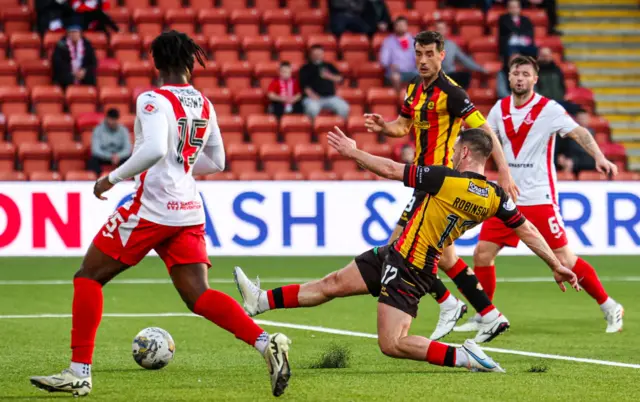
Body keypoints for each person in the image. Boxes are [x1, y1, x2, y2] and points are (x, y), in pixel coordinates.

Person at [30, 31, 292, 398]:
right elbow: (216, 162)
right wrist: (180, 165)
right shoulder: (204, 102)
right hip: (188, 208)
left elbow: (153, 149)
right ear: (189, 62)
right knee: (198, 294)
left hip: (153, 207)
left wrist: (111, 178)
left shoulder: (152, 99)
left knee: (88, 276)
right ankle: (267, 343)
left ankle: (79, 372)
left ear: (156, 64)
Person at [233, 128, 580, 374]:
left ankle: (464, 357)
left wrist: (353, 152)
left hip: (411, 267)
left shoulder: (446, 179)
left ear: (465, 152)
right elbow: (528, 230)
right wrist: (555, 263)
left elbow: (389, 168)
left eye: (457, 148)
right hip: (395, 253)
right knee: (333, 283)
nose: (455, 153)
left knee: (393, 343)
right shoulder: (495, 197)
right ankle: (260, 301)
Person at [363, 30, 519, 343]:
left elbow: (485, 132)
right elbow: (403, 126)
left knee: (399, 248)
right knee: (444, 257)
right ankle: (488, 314)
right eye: (419, 54)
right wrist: (384, 127)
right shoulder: (413, 88)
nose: (423, 60)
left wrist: (504, 171)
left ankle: (449, 303)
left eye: (430, 54)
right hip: (424, 181)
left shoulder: (453, 93)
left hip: (442, 183)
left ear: (442, 55)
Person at [453, 55, 624, 334]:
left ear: (535, 79)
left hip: (540, 199)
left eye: (525, 74)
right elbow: (485, 140)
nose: (519, 78)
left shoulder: (549, 109)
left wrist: (599, 157)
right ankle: (486, 314)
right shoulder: (499, 108)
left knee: (566, 261)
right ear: (508, 78)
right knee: (482, 253)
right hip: (506, 199)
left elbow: (579, 132)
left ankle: (609, 306)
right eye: (515, 73)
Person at [299, 44, 350, 119]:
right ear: (310, 55)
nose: (317, 56)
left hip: (330, 97)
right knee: (312, 109)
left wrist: (329, 76)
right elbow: (304, 86)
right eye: (315, 54)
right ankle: (313, 128)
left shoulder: (329, 66)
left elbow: (340, 79)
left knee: (344, 107)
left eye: (319, 54)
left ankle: (338, 127)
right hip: (313, 98)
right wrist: (313, 96)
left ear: (323, 54)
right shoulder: (305, 68)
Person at [434, 21, 487, 90]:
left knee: (465, 76)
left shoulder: (452, 45)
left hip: (450, 75)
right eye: (439, 29)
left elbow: (465, 60)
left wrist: (481, 69)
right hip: (436, 76)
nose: (441, 31)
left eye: (443, 29)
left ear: (446, 30)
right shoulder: (429, 46)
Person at [51, 20, 97, 89]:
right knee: (64, 77)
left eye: (76, 32)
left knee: (90, 77)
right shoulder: (61, 45)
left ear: (80, 33)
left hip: (82, 73)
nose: (73, 34)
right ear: (68, 33)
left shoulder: (87, 45)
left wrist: (84, 70)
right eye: (71, 32)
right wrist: (71, 71)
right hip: (67, 72)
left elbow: (92, 62)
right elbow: (57, 61)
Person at [87, 108, 131, 176]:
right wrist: (110, 156)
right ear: (106, 118)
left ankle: (126, 181)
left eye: (115, 120)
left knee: (131, 160)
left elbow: (127, 149)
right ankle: (98, 181)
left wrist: (118, 156)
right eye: (111, 119)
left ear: (118, 119)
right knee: (92, 161)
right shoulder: (98, 129)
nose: (113, 122)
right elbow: (95, 150)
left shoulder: (123, 130)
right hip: (103, 156)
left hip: (119, 156)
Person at [379, 16, 417, 92]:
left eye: (403, 25)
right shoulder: (388, 41)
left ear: (407, 26)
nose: (401, 27)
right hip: (396, 72)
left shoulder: (414, 40)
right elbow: (383, 61)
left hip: (412, 71)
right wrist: (390, 65)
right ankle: (399, 100)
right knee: (396, 77)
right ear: (395, 27)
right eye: (399, 25)